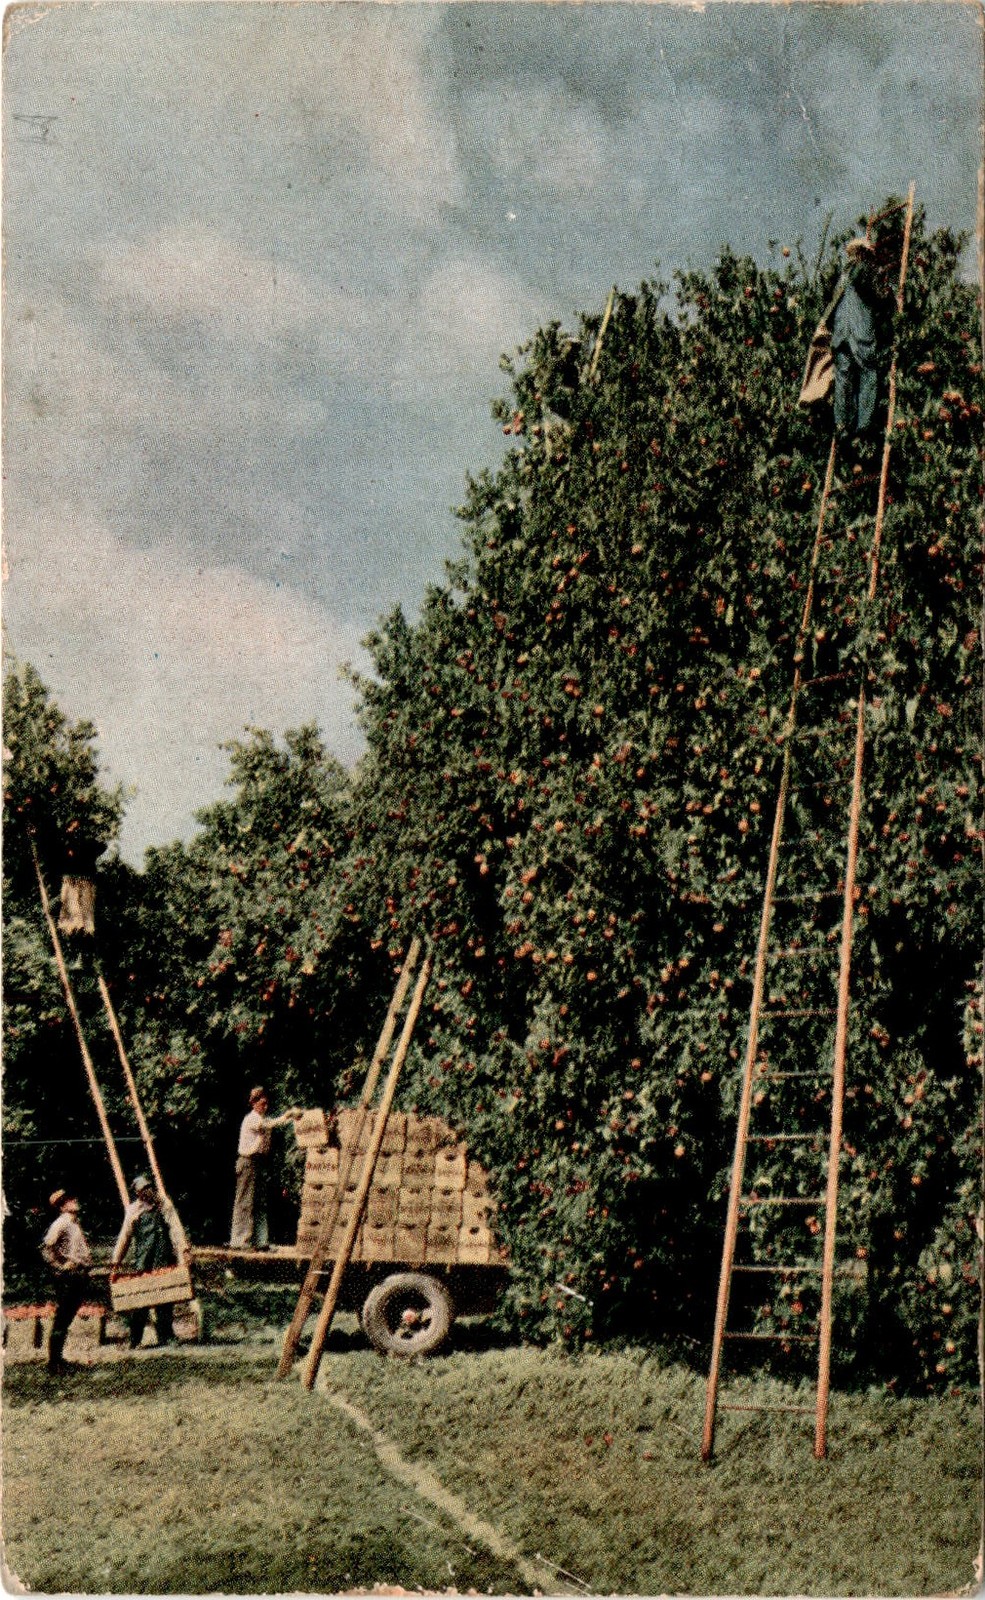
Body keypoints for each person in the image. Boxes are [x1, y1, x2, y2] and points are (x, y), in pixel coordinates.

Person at [110, 1173, 177, 1349]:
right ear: (138, 1194)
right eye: (143, 1190)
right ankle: (135, 1339)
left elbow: (175, 1229)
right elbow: (124, 1237)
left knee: (165, 1298)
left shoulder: (164, 1205)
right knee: (140, 1301)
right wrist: (116, 1261)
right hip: (144, 1259)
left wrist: (183, 1250)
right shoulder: (133, 1211)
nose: (147, 1192)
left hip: (162, 1257)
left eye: (149, 1188)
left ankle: (166, 1336)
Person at [230, 1087, 299, 1249]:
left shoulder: (263, 1119)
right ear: (254, 1103)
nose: (265, 1107)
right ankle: (240, 1241)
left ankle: (261, 1241)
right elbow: (268, 1125)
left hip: (259, 1163)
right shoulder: (252, 1119)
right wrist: (287, 1115)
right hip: (247, 1162)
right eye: (262, 1103)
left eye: (267, 1104)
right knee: (245, 1201)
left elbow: (273, 1125)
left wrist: (291, 1118)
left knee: (260, 1202)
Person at [831, 236, 884, 442]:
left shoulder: (842, 276)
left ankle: (842, 424)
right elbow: (874, 295)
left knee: (843, 377)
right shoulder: (863, 269)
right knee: (869, 372)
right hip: (859, 331)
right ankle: (863, 424)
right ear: (863, 253)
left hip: (840, 333)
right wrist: (888, 298)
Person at [41, 1189, 92, 1375]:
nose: (75, 1201)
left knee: (66, 1318)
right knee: (62, 1319)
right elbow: (46, 1248)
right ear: (62, 1206)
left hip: (79, 1275)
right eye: (70, 1200)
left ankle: (58, 1359)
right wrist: (59, 1267)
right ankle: (54, 1363)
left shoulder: (73, 1223)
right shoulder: (61, 1223)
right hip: (68, 1277)